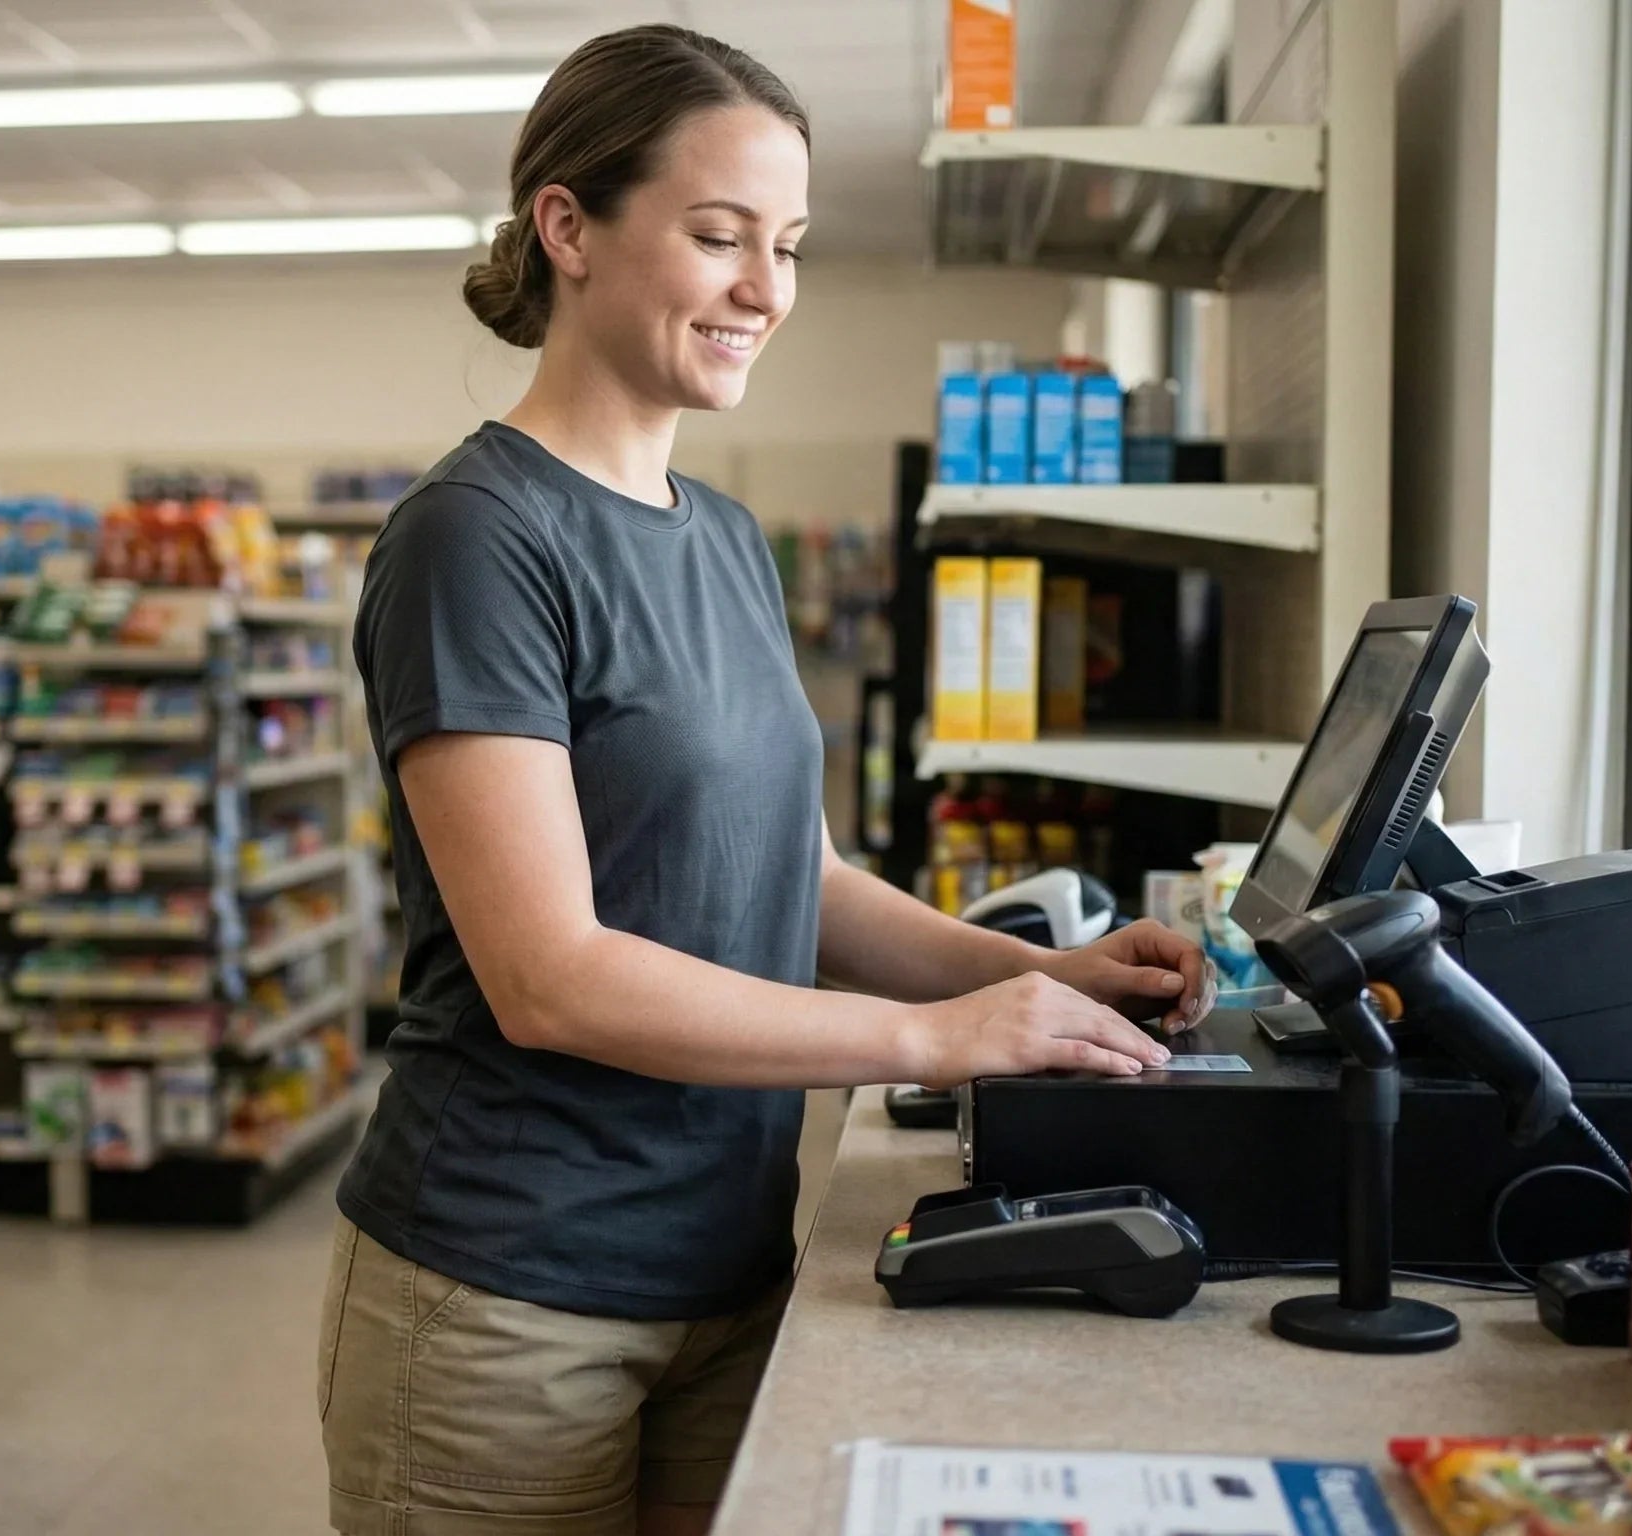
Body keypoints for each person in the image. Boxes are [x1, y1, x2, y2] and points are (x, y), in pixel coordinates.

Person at [318, 24, 1215, 1536]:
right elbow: (550, 979)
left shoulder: (721, 539)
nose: (765, 291)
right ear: (569, 229)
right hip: (506, 1304)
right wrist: (932, 1041)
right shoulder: (478, 538)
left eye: (787, 246)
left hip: (727, 1272)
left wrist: (1042, 982)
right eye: (718, 236)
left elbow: (791, 883)